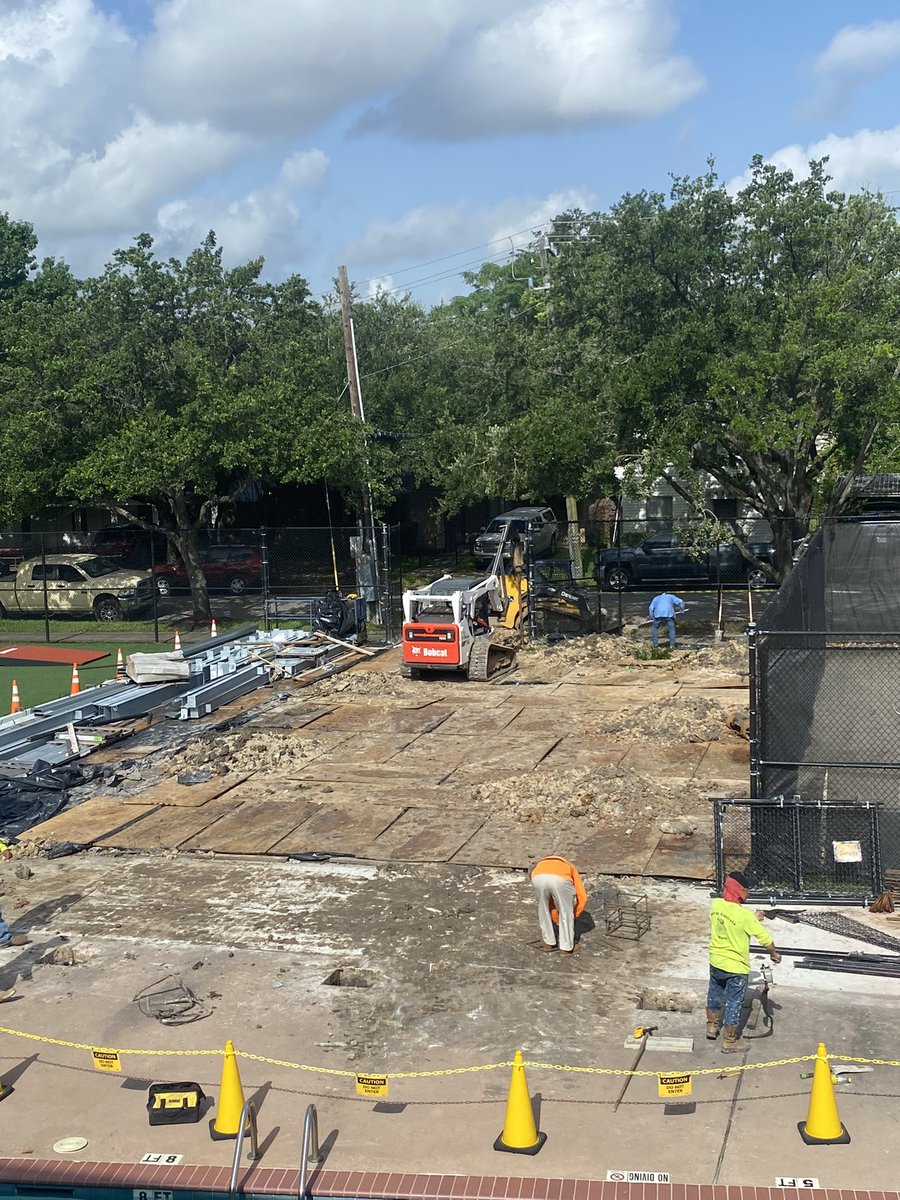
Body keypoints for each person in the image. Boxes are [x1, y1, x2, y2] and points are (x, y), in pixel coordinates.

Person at [707, 870, 781, 1052]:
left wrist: (751, 918)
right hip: (736, 967)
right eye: (746, 889)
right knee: (734, 1002)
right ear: (739, 891)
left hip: (716, 961)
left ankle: (712, 1026)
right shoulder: (745, 916)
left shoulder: (715, 905)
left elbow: (731, 918)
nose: (748, 892)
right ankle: (730, 1042)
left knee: (715, 994)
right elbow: (765, 939)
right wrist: (774, 953)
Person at [531, 855, 588, 954]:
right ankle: (566, 948)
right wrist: (574, 914)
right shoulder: (569, 866)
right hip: (561, 879)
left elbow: (550, 904)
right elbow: (582, 897)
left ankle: (548, 942)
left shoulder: (539, 866)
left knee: (542, 909)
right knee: (566, 911)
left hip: (537, 878)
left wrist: (555, 918)